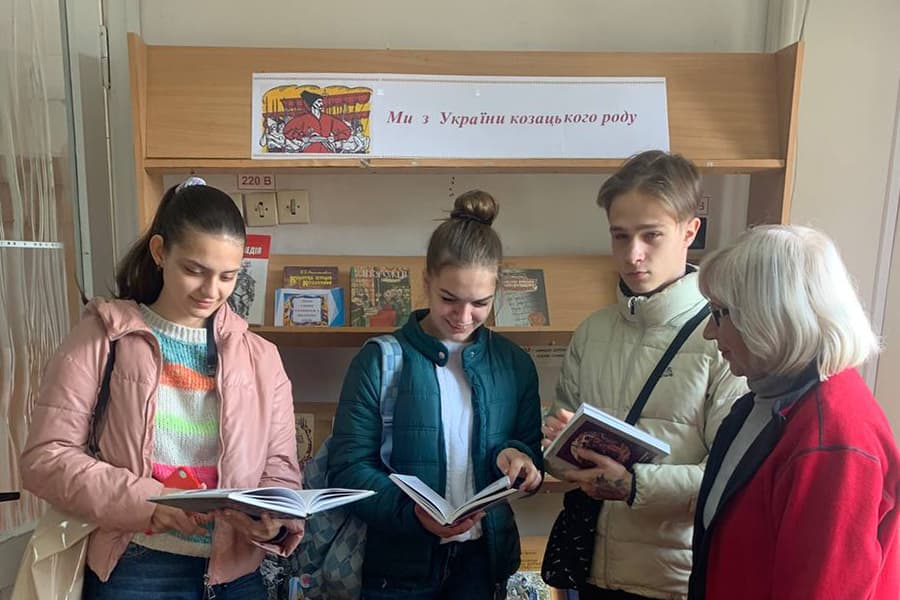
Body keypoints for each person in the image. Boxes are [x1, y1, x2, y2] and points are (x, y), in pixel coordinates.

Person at [20, 177, 304, 599]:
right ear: (159, 252)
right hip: (136, 567)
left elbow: (280, 467)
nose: (211, 291)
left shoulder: (261, 357)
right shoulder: (103, 337)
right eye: (194, 270)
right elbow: (46, 457)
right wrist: (150, 501)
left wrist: (275, 520)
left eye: (228, 276)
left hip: (237, 575)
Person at [542, 150, 748, 599]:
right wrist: (561, 449)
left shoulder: (722, 338)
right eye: (620, 236)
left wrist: (633, 484)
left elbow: (729, 476)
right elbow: (556, 451)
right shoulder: (592, 331)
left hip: (674, 578)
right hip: (591, 569)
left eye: (651, 235)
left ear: (689, 231)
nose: (633, 255)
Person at [328, 190, 544, 599]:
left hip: (482, 564)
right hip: (396, 569)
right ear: (426, 281)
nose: (463, 317)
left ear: (497, 290)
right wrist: (412, 514)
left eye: (480, 303)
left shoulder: (514, 364)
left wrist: (520, 461)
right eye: (449, 299)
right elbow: (348, 470)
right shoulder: (380, 360)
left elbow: (529, 449)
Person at [688, 225, 900, 600]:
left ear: (768, 315)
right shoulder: (764, 401)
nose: (709, 332)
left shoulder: (833, 439)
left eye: (719, 314)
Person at [284, 90, 352, 153]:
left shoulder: (329, 118)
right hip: (308, 151)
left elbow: (347, 131)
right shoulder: (302, 119)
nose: (322, 104)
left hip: (326, 150)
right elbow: (287, 130)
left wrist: (335, 138)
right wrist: (301, 138)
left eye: (322, 102)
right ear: (312, 103)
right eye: (319, 102)